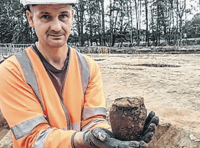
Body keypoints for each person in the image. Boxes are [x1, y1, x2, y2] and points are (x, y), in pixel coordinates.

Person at [0, 0, 159, 147]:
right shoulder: (13, 71)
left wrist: (113, 136)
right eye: (45, 16)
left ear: (72, 16)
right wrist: (87, 139)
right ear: (30, 18)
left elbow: (94, 122)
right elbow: (33, 138)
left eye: (63, 15)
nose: (57, 26)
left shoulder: (89, 67)